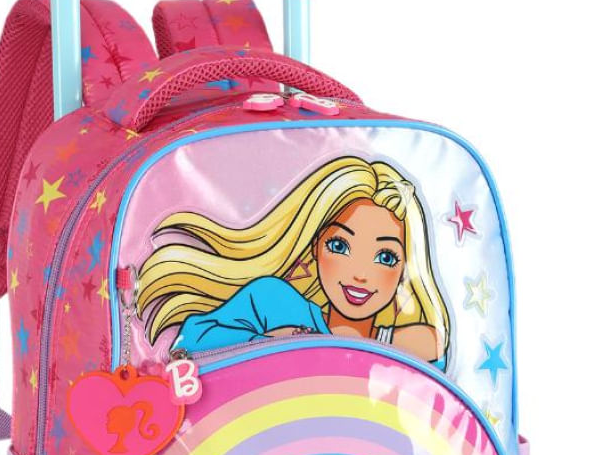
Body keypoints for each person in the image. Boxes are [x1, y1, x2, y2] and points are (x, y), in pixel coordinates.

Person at [137, 156, 450, 368]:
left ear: (405, 267)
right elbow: (190, 343)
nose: (360, 274)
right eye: (339, 245)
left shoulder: (412, 339)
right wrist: (269, 342)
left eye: (385, 257)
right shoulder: (274, 303)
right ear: (315, 246)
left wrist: (378, 341)